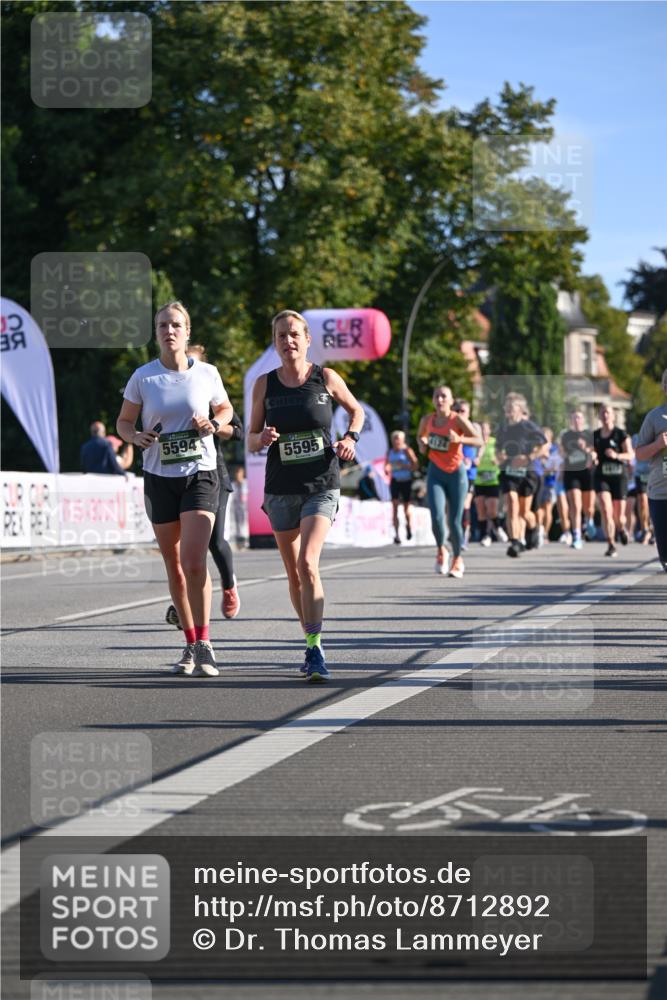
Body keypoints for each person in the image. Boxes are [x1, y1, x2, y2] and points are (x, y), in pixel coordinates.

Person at [117, 301, 233, 676]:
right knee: (175, 566)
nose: (170, 331)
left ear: (188, 331)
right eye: (163, 325)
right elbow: (123, 421)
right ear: (156, 332)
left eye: (176, 325)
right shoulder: (143, 377)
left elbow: (227, 410)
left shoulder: (208, 373)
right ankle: (187, 642)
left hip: (201, 473)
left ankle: (205, 644)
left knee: (194, 561)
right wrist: (135, 436)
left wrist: (213, 423)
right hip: (158, 477)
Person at [248, 309, 364, 682]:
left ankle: (314, 647)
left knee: (308, 564)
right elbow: (249, 438)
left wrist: (350, 438)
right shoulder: (265, 384)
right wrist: (260, 439)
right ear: (275, 341)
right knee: (294, 574)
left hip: (321, 483)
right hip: (281, 487)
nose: (288, 341)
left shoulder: (325, 377)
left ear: (307, 339)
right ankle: (309, 639)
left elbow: (356, 411)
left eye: (295, 334)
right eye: (281, 336)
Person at [164, 343, 242, 628]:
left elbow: (238, 432)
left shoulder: (210, 385)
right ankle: (183, 601)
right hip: (174, 476)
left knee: (214, 540)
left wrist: (212, 424)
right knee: (186, 548)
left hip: (212, 476)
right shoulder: (166, 390)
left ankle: (229, 585)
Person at [417, 385, 482, 578]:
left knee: (454, 520)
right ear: (432, 400)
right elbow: (421, 436)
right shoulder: (427, 420)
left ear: (451, 401)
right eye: (437, 396)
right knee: (437, 516)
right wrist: (422, 445)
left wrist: (459, 440)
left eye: (444, 396)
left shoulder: (457, 420)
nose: (440, 400)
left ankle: (457, 559)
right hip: (435, 471)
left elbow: (479, 440)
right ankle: (441, 550)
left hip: (456, 473)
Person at [496, 393, 547, 558]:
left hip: (526, 473)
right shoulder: (502, 429)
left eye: (513, 407)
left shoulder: (528, 426)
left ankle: (534, 528)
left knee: (525, 513)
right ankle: (515, 542)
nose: (509, 410)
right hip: (509, 471)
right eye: (507, 407)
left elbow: (544, 445)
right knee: (511, 505)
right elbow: (498, 450)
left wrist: (528, 458)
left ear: (520, 410)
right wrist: (500, 457)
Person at [634, 367, 667, 571]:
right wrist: (657, 445)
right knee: (664, 552)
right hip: (660, 491)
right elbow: (639, 454)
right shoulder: (654, 417)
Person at [593, 404, 633, 558]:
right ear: (599, 416)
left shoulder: (621, 434)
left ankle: (622, 529)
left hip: (618, 477)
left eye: (608, 412)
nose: (605, 415)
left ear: (613, 416)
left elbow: (631, 455)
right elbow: (592, 452)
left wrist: (617, 456)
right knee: (605, 509)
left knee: (619, 516)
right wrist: (593, 456)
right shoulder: (595, 435)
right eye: (602, 413)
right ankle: (611, 544)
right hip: (602, 476)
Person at [559, 409, 597, 550]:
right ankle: (576, 536)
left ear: (583, 419)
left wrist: (586, 448)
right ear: (571, 420)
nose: (577, 420)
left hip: (587, 472)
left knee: (589, 507)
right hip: (571, 472)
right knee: (575, 505)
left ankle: (589, 519)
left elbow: (595, 452)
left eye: (579, 418)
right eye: (574, 418)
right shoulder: (566, 436)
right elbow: (561, 452)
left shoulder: (589, 434)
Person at [474, 421, 506, 546]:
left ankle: (497, 527)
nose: (482, 432)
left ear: (489, 430)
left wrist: (497, 460)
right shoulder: (476, 443)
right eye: (480, 429)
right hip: (479, 479)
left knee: (492, 509)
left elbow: (503, 456)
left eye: (485, 429)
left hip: (493, 479)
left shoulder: (495, 443)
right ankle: (485, 536)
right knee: (481, 509)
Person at [454, 399, 481, 548]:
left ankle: (464, 533)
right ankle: (452, 532)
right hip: (453, 468)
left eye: (462, 411)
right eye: (457, 410)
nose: (459, 414)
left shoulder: (473, 426)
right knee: (451, 504)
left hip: (469, 471)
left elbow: (480, 442)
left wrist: (478, 457)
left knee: (465, 503)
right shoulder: (451, 424)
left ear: (469, 413)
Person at [384, 430, 419, 543]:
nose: (396, 442)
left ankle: (408, 526)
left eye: (398, 439)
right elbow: (387, 465)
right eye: (394, 439)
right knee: (394, 507)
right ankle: (397, 534)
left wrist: (403, 465)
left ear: (402, 440)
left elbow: (415, 466)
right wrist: (387, 468)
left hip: (406, 481)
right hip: (395, 481)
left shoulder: (407, 451)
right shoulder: (390, 452)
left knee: (406, 509)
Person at [628, 433, 651, 543]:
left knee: (656, 501)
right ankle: (645, 529)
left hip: (656, 474)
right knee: (642, 501)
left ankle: (654, 529)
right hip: (640, 474)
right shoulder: (636, 437)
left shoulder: (662, 435)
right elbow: (632, 453)